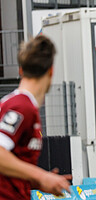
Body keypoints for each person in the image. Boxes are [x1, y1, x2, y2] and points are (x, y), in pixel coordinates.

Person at [0, 35, 71, 199]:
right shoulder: (22, 107)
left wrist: (38, 182)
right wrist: (41, 176)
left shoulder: (21, 105)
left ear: (20, 70)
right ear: (51, 71)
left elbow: (11, 169)